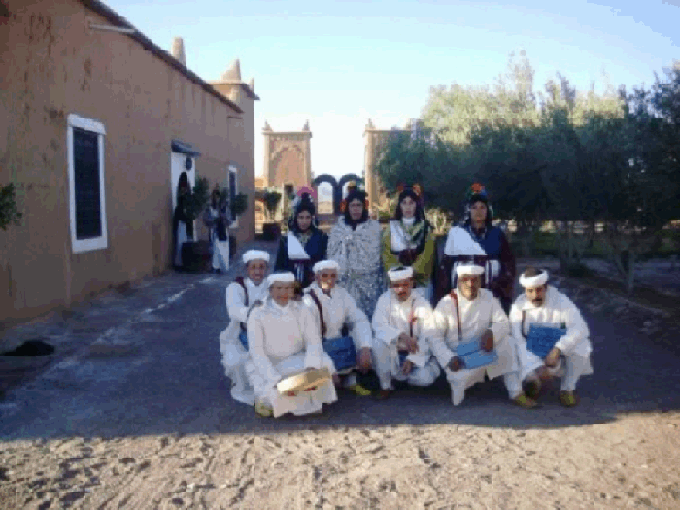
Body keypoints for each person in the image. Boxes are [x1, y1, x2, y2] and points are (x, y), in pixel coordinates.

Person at [431, 263, 537, 408]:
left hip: (482, 350)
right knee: (458, 392)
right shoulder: (446, 303)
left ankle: (516, 393)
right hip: (457, 358)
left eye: (475, 280)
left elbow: (503, 322)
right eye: (466, 280)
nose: (471, 284)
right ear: (458, 281)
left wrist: (491, 333)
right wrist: (448, 358)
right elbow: (433, 337)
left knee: (508, 342)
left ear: (480, 281)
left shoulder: (488, 296)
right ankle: (461, 384)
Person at [245, 272, 338, 418]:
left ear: (293, 290)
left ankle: (302, 398)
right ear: (270, 290)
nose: (283, 293)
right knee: (275, 393)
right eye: (279, 288)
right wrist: (275, 379)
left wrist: (311, 367)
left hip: (297, 361)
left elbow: (313, 341)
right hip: (269, 365)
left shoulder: (302, 309)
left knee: (324, 367)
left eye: (288, 288)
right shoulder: (257, 314)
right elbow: (257, 353)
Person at [510, 267, 594, 407]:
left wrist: (558, 349)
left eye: (539, 290)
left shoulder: (561, 301)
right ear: (525, 290)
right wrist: (536, 366)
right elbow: (517, 339)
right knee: (509, 345)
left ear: (546, 287)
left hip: (554, 353)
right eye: (530, 291)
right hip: (530, 353)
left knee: (583, 345)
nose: (535, 295)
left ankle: (567, 389)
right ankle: (532, 380)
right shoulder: (518, 307)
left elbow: (580, 328)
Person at [436, 183, 516, 313]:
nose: (478, 211)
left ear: (488, 210)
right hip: (463, 291)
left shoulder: (497, 233)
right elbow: (446, 266)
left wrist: (502, 282)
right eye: (474, 207)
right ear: (468, 210)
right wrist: (444, 293)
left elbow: (508, 262)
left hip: (491, 291)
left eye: (482, 207)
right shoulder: (456, 232)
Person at [302, 259, 373, 396]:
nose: (329, 280)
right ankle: (332, 377)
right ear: (316, 277)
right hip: (315, 347)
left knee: (366, 340)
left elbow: (358, 319)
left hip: (339, 344)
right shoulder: (307, 298)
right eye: (324, 276)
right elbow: (309, 338)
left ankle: (349, 379)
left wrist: (365, 347)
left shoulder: (342, 294)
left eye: (333, 276)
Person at [371, 266, 441, 400]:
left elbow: (429, 335)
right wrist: (402, 336)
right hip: (393, 354)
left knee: (425, 378)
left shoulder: (421, 303)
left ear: (412, 283)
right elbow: (378, 325)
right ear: (391, 285)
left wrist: (412, 359)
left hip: (415, 354)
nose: (401, 289)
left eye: (405, 284)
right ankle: (385, 385)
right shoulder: (384, 300)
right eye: (396, 286)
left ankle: (400, 378)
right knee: (377, 343)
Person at [219, 250, 270, 405]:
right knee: (237, 362)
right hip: (240, 336)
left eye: (261, 267)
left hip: (267, 334)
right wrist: (255, 311)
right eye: (253, 267)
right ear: (247, 269)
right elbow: (234, 311)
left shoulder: (272, 285)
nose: (257, 271)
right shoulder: (236, 287)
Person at [327, 184, 384, 319]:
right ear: (347, 207)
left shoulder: (374, 228)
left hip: (368, 284)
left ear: (364, 207)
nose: (356, 210)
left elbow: (377, 255)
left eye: (359, 205)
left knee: (367, 321)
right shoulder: (337, 229)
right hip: (344, 283)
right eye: (352, 206)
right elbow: (331, 254)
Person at [382, 184, 437, 302]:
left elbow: (428, 255)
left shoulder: (425, 228)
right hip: (397, 283)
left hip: (420, 284)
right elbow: (387, 255)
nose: (408, 207)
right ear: (399, 206)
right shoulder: (391, 229)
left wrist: (411, 274)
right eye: (404, 203)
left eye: (411, 203)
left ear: (416, 205)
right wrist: (400, 276)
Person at [274, 193, 328, 291]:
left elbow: (324, 263)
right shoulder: (286, 238)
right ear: (295, 218)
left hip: (314, 286)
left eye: (307, 218)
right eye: (301, 217)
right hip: (289, 286)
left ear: (312, 219)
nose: (304, 221)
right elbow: (279, 265)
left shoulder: (321, 237)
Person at [203, 188, 232, 274]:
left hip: (222, 231)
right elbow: (206, 220)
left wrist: (223, 218)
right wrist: (214, 220)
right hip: (214, 231)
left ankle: (222, 266)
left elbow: (229, 220)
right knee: (215, 249)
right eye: (214, 197)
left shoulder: (224, 208)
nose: (216, 199)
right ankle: (215, 266)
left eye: (217, 197)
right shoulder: (209, 208)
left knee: (223, 249)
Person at [173, 172, 194, 269]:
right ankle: (180, 263)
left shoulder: (187, 196)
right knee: (181, 242)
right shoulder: (182, 197)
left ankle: (186, 263)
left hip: (186, 223)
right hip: (182, 222)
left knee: (186, 241)